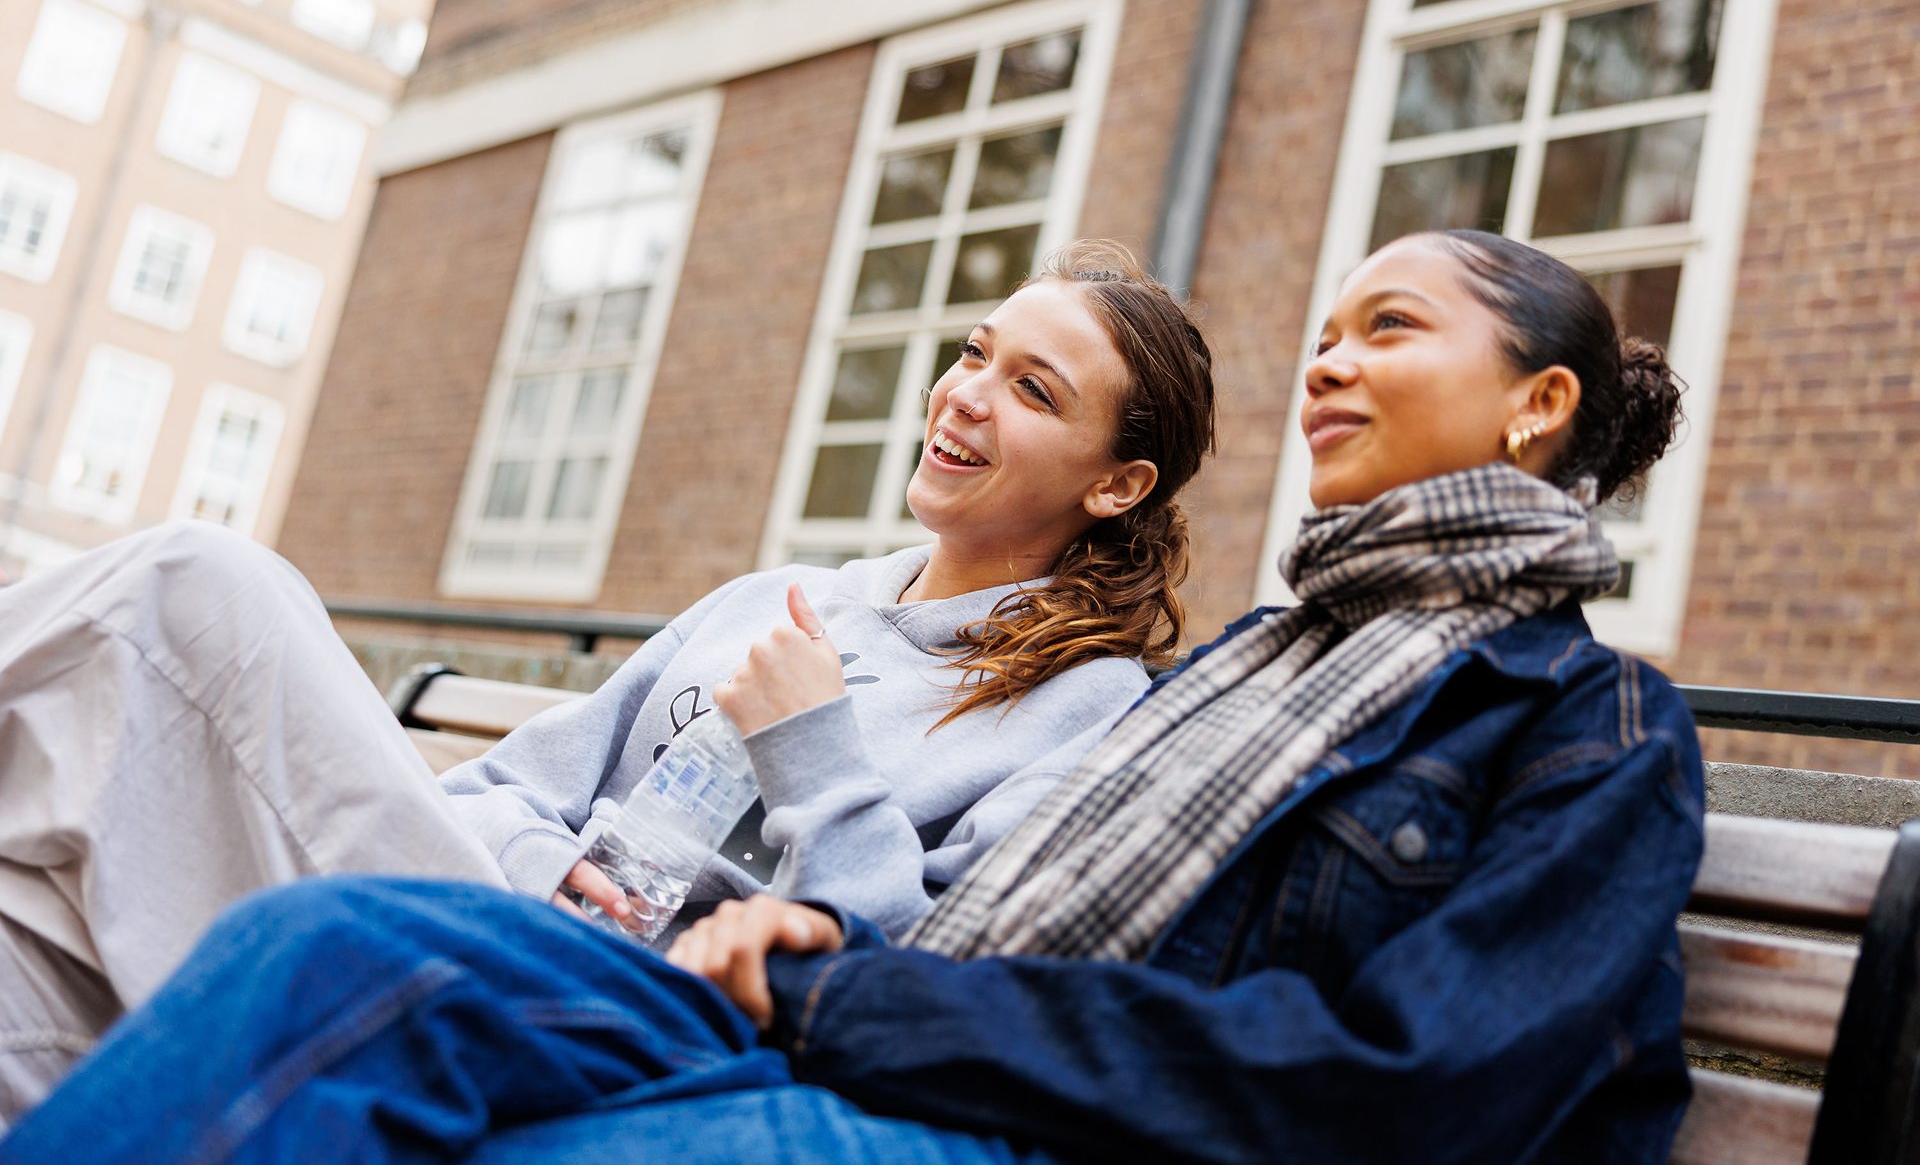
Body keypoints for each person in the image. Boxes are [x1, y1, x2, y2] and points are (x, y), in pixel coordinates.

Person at [2, 229, 1702, 1165]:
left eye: (1382, 330)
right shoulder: (1273, 665)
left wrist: (831, 917)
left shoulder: (1555, 722)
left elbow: (1410, 1083)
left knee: (206, 627)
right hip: (824, 1024)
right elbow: (519, 794)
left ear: (1535, 405)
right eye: (973, 354)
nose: (1324, 362)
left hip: (888, 1051)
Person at [0, 239, 1218, 1128]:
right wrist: (543, 873)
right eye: (975, 352)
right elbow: (496, 788)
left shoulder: (1093, 706)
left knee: (196, 588)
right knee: (22, 931)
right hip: (506, 921)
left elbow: (930, 974)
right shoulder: (775, 596)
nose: (965, 393)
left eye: (1033, 390)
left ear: (1116, 483)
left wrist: (816, 752)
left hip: (648, 1020)